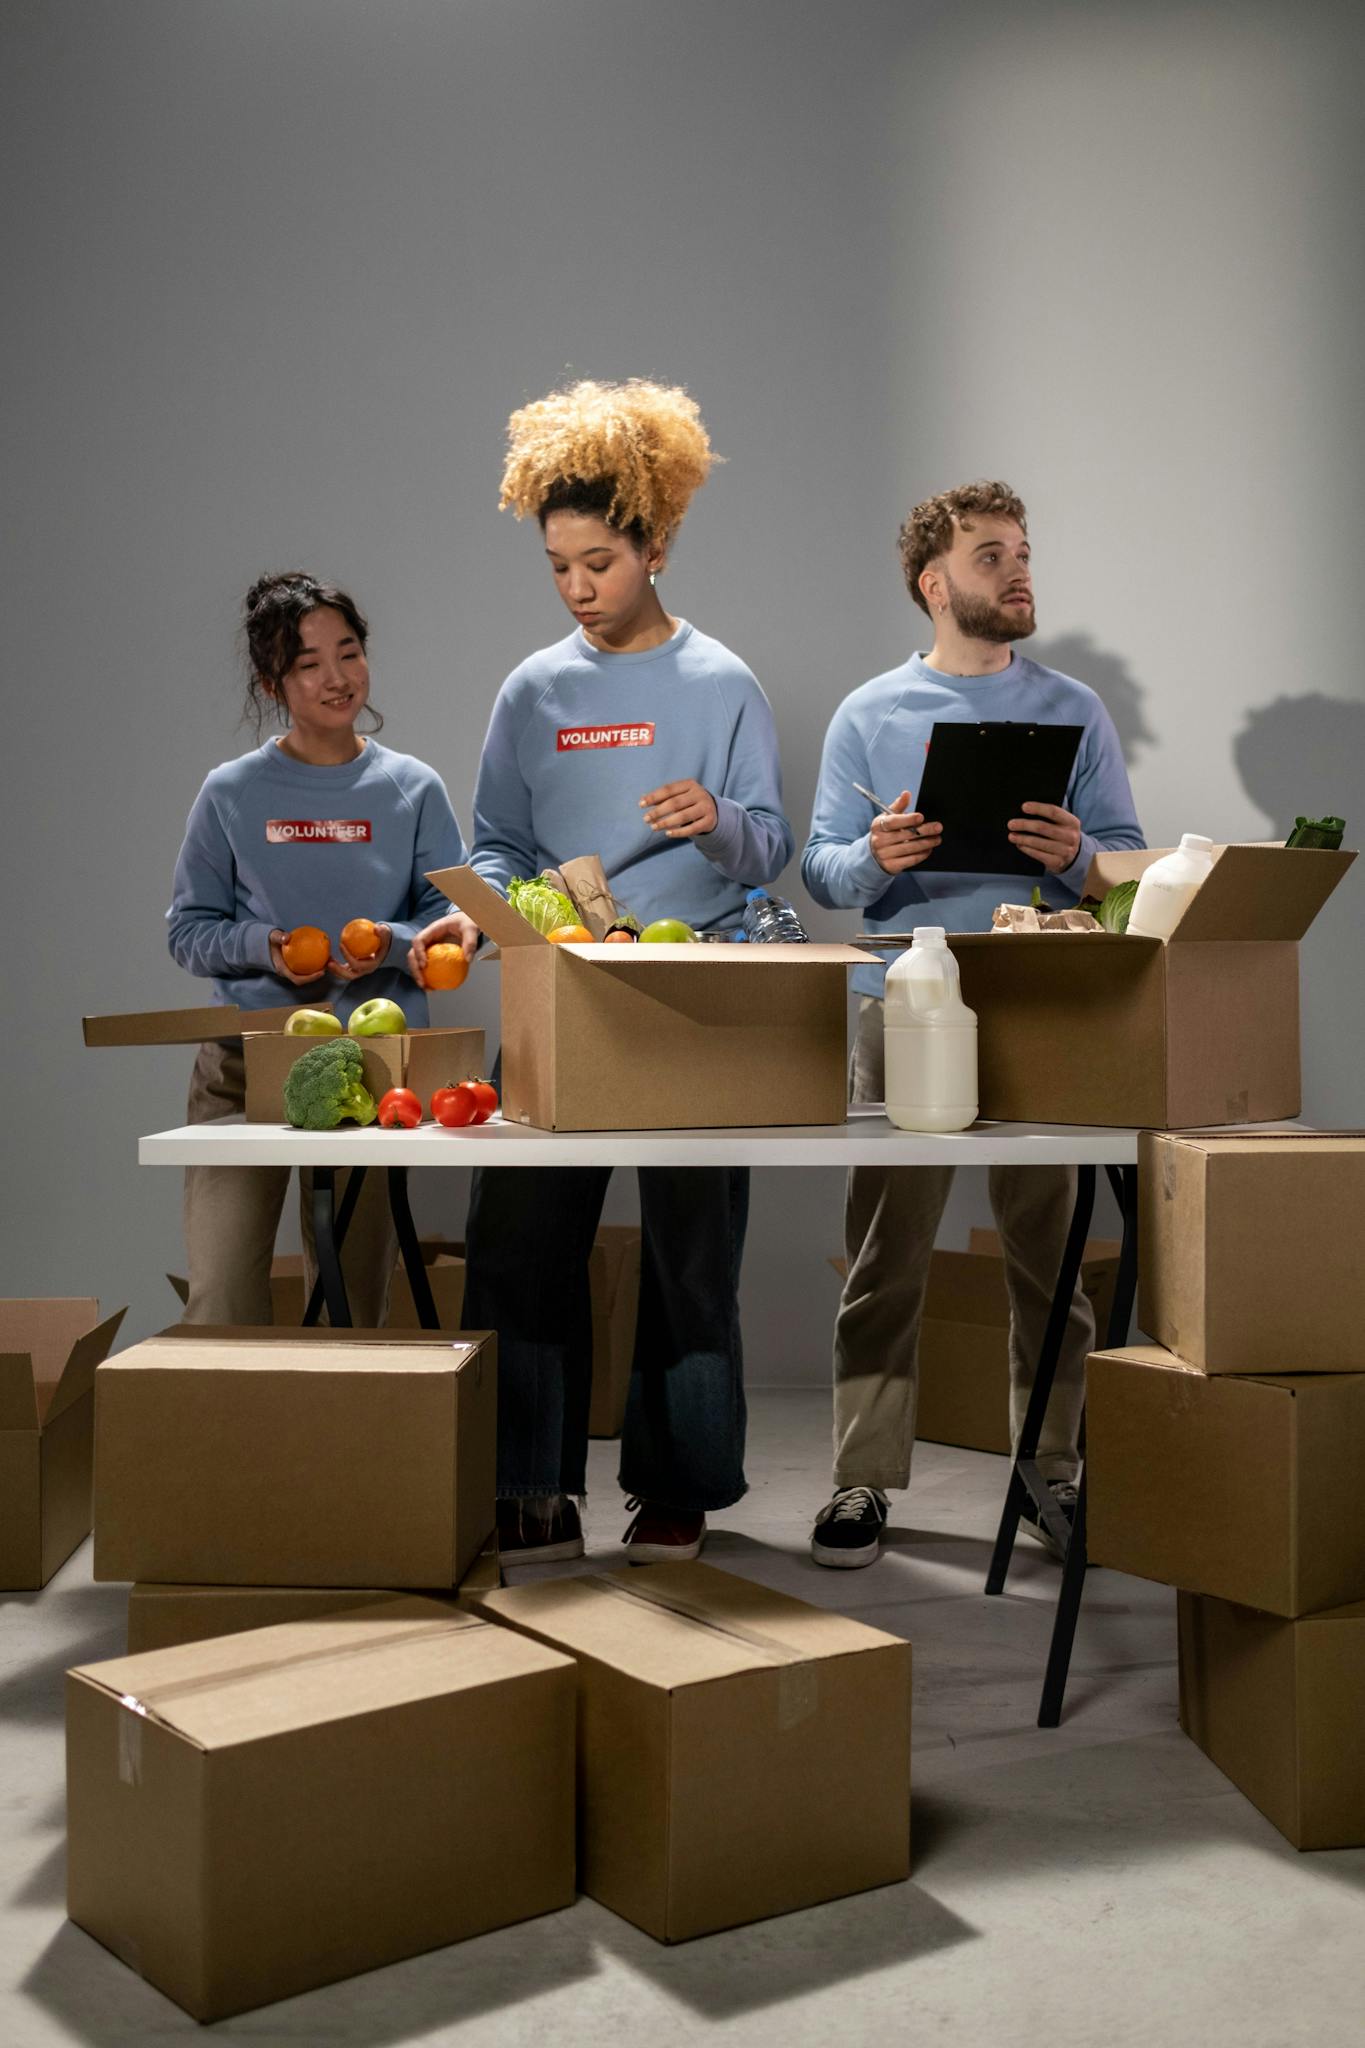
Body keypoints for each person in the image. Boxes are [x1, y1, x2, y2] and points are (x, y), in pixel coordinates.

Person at [412, 378, 794, 1565]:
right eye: (560, 568)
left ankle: (675, 1482)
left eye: (601, 563)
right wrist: (487, 917)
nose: (580, 589)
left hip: (696, 995)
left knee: (691, 1248)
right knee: (523, 1235)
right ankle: (529, 1474)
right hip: (561, 991)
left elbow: (773, 844)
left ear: (659, 543)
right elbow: (497, 845)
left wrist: (715, 820)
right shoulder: (533, 690)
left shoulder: (722, 682)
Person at [801, 480, 1145, 1567]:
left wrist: (1076, 859)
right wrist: (878, 858)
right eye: (991, 556)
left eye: (1023, 552)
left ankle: (1051, 1473)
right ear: (934, 583)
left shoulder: (1075, 710)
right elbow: (820, 868)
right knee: (884, 1255)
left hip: (1040, 1000)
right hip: (901, 996)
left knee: (1049, 1256)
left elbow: (1125, 867)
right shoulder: (869, 714)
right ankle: (861, 1481)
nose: (1018, 570)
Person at [168, 570, 475, 1326]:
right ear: (275, 682)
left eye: (349, 652)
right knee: (222, 1299)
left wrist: (394, 944)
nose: (337, 679)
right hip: (245, 1065)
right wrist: (271, 949)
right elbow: (188, 931)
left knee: (351, 1304)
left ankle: (335, 1444)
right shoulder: (232, 792)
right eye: (310, 664)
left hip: (374, 1072)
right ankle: (237, 1443)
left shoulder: (412, 788)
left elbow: (454, 924)